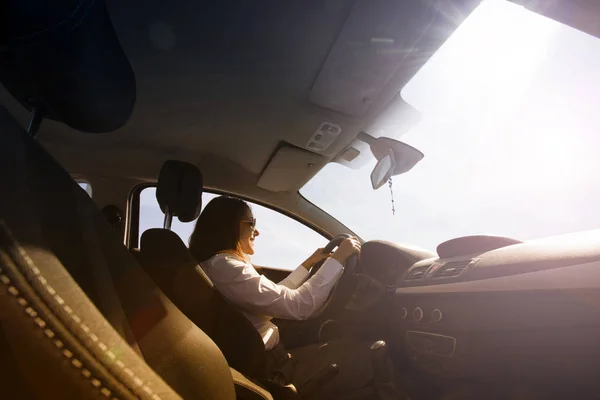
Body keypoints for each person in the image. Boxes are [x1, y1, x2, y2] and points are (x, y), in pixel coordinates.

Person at [189, 196, 404, 399]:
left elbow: (270, 298)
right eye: (251, 222)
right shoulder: (228, 267)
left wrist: (308, 265)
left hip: (271, 360)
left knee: (350, 345)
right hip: (275, 371)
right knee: (369, 352)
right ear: (229, 225)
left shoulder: (221, 267)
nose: (256, 231)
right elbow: (300, 305)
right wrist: (338, 259)